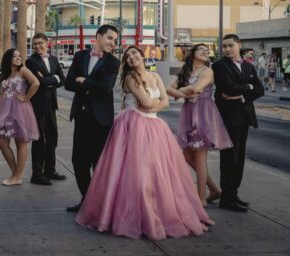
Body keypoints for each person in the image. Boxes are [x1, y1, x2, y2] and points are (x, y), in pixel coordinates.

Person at [76, 46, 214, 240]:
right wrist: (152, 105)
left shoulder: (155, 77)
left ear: (142, 56)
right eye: (128, 56)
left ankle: (159, 210)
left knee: (158, 171)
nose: (132, 57)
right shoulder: (130, 79)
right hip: (133, 125)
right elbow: (149, 103)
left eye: (135, 53)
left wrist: (152, 106)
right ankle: (136, 214)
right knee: (135, 172)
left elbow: (165, 101)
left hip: (154, 125)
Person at [166, 44, 233, 207]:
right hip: (189, 112)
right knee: (188, 156)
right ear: (192, 53)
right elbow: (168, 89)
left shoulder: (207, 71)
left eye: (207, 51)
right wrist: (186, 91)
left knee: (200, 156)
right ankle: (214, 190)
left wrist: (182, 92)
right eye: (201, 49)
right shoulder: (186, 72)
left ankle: (201, 198)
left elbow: (197, 88)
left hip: (204, 113)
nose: (205, 51)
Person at [64, 25, 120, 212]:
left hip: (101, 121)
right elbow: (69, 83)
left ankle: (102, 205)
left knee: (99, 164)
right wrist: (87, 85)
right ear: (98, 36)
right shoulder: (80, 56)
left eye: (115, 40)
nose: (113, 43)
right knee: (78, 162)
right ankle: (87, 201)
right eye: (110, 38)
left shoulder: (113, 62)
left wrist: (84, 81)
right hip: (81, 117)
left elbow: (105, 88)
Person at [212, 34, 264, 212]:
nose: (226, 49)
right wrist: (247, 87)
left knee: (239, 157)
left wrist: (242, 94)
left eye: (230, 45)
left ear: (239, 45)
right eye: (224, 46)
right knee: (229, 157)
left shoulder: (249, 66)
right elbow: (228, 87)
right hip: (228, 117)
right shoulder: (219, 66)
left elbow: (260, 89)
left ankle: (233, 194)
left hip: (244, 117)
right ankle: (227, 198)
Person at [25, 33, 67, 185]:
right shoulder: (31, 62)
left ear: (47, 43)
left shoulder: (54, 60)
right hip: (37, 106)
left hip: (51, 106)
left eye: (40, 43)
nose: (37, 46)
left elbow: (62, 80)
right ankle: (37, 174)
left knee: (52, 138)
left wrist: (51, 80)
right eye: (34, 44)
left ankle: (50, 170)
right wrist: (52, 79)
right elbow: (40, 82)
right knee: (39, 140)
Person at [0, 48, 40, 185]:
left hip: (19, 110)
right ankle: (16, 173)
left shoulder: (23, 70)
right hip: (5, 112)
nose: (19, 58)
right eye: (15, 56)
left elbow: (36, 83)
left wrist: (26, 98)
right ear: (9, 58)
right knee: (2, 143)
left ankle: (17, 176)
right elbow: (1, 95)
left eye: (20, 56)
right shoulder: (7, 74)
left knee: (20, 142)